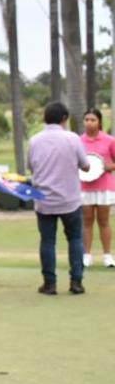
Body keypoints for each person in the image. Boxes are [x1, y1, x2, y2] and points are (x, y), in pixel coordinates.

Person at [28, 102, 90, 295]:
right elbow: (86, 165)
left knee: (47, 241)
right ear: (64, 118)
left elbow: (31, 166)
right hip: (69, 199)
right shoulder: (72, 139)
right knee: (75, 239)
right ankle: (76, 282)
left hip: (44, 199)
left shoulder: (34, 140)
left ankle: (49, 283)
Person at [79, 107, 115, 268]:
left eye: (92, 120)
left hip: (104, 186)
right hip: (84, 186)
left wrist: (109, 167)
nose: (89, 123)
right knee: (87, 221)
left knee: (104, 221)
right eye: (86, 120)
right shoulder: (78, 140)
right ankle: (86, 255)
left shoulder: (109, 140)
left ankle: (107, 256)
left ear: (99, 122)